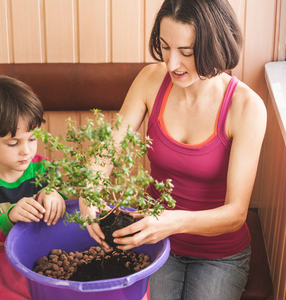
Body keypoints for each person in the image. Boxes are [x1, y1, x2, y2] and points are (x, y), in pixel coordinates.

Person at [80, 0, 267, 299]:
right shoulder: (150, 80)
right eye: (165, 47)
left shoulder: (247, 107)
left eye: (187, 52)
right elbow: (107, 151)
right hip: (155, 242)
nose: (172, 64)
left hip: (219, 255)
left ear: (215, 47)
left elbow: (236, 213)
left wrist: (171, 222)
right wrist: (88, 193)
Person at [0, 76, 66, 247]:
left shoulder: (46, 168)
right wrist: (10, 217)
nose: (26, 151)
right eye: (13, 143)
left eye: (32, 139)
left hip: (42, 248)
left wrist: (55, 194)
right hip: (2, 254)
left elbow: (63, 212)